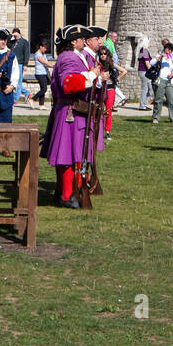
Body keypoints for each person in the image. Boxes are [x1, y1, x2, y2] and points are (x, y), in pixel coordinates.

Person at [43, 24, 104, 208]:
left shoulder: (71, 56)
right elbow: (69, 83)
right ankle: (67, 195)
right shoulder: (69, 57)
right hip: (72, 111)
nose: (82, 42)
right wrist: (92, 75)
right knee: (68, 156)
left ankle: (65, 192)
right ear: (73, 42)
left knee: (70, 156)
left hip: (74, 110)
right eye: (79, 39)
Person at [150, 39, 173, 124]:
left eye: (170, 50)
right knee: (158, 99)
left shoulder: (171, 58)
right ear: (165, 49)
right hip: (161, 80)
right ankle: (155, 117)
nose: (169, 51)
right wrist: (160, 57)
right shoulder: (160, 56)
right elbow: (152, 63)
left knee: (172, 100)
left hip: (169, 81)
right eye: (168, 49)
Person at [10, 27, 32, 105]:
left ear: (19, 33)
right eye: (14, 35)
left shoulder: (24, 42)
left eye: (16, 35)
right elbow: (7, 43)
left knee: (18, 81)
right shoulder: (12, 42)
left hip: (20, 63)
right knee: (12, 81)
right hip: (12, 64)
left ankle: (15, 99)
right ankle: (27, 93)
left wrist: (25, 64)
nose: (15, 37)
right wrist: (11, 35)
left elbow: (27, 53)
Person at [134, 36, 153, 110]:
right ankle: (142, 105)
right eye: (149, 42)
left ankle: (144, 103)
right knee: (145, 89)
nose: (150, 43)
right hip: (144, 72)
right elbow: (147, 63)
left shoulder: (142, 50)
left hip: (143, 71)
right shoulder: (144, 51)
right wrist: (152, 71)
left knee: (150, 89)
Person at [32, 40, 52, 108]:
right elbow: (44, 62)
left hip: (44, 73)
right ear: (41, 47)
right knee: (44, 89)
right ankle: (32, 99)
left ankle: (41, 104)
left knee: (42, 88)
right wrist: (54, 66)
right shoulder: (38, 54)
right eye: (45, 48)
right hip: (40, 74)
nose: (46, 49)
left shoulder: (43, 54)